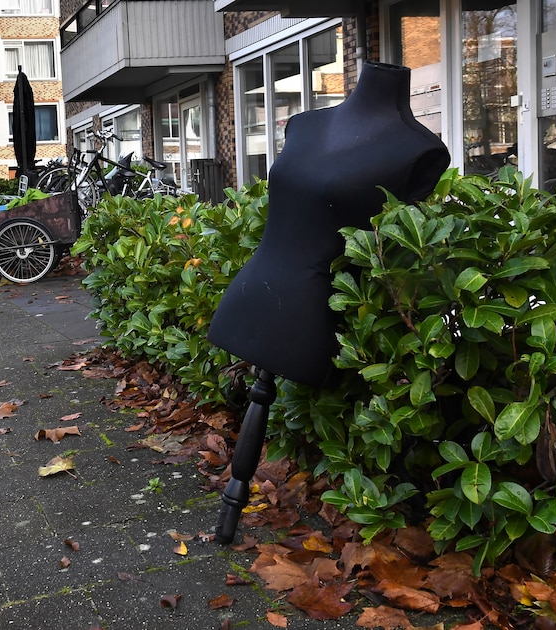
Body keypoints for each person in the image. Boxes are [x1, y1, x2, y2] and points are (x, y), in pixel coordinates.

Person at [208, 61, 451, 543]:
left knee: (266, 398)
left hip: (311, 307)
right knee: (260, 398)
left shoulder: (420, 150)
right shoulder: (304, 124)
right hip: (255, 286)